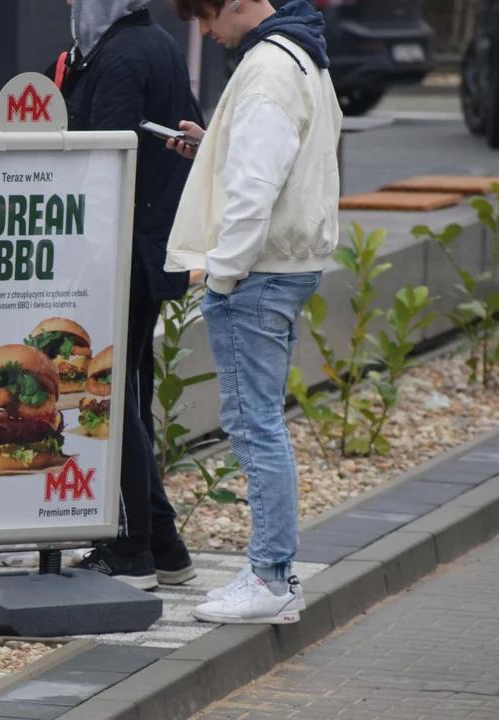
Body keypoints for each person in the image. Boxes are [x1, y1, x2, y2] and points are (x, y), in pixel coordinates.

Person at [164, 0, 341, 623]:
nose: (205, 32)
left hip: (258, 272)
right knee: (261, 421)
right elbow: (280, 159)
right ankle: (272, 576)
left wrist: (222, 270)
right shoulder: (302, 50)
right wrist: (216, 146)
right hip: (287, 264)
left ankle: (270, 578)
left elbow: (256, 188)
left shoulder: (266, 66)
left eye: (206, 16)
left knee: (254, 424)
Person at [50, 0, 206, 590]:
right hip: (149, 247)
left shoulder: (116, 57)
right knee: (130, 396)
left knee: (112, 397)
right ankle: (165, 547)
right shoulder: (157, 43)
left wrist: (80, 260)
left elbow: (100, 166)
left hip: (121, 251)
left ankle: (131, 549)